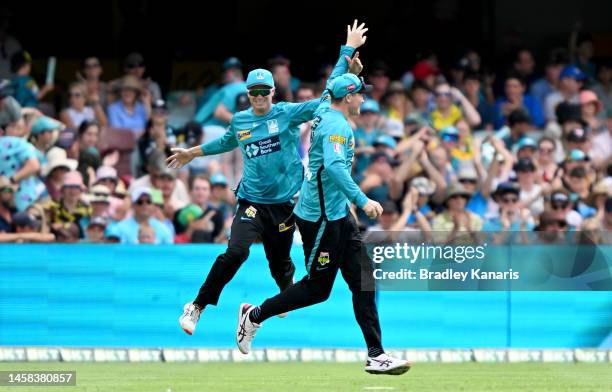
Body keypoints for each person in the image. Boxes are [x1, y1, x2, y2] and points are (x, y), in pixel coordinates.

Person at [167, 21, 370, 336]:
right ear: (247, 93)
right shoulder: (241, 120)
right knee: (236, 252)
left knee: (281, 266)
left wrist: (346, 53)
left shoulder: (286, 113)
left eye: (264, 91)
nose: (259, 97)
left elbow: (327, 98)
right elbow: (225, 143)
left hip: (286, 204)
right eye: (254, 92)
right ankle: (197, 305)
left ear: (273, 92)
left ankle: (282, 292)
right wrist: (192, 153)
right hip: (252, 202)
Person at [237, 73, 410, 375]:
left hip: (337, 215)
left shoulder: (326, 108)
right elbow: (333, 167)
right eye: (359, 94)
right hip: (320, 220)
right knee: (317, 289)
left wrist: (349, 53)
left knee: (363, 280)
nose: (363, 99)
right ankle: (254, 315)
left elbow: (331, 84)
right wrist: (362, 200)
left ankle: (376, 354)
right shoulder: (336, 125)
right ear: (348, 98)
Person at [105, 186, 173, 244]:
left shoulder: (164, 230)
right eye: (140, 202)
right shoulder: (118, 229)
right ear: (133, 205)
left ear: (154, 205)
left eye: (148, 201)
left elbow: (169, 255)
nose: (144, 204)